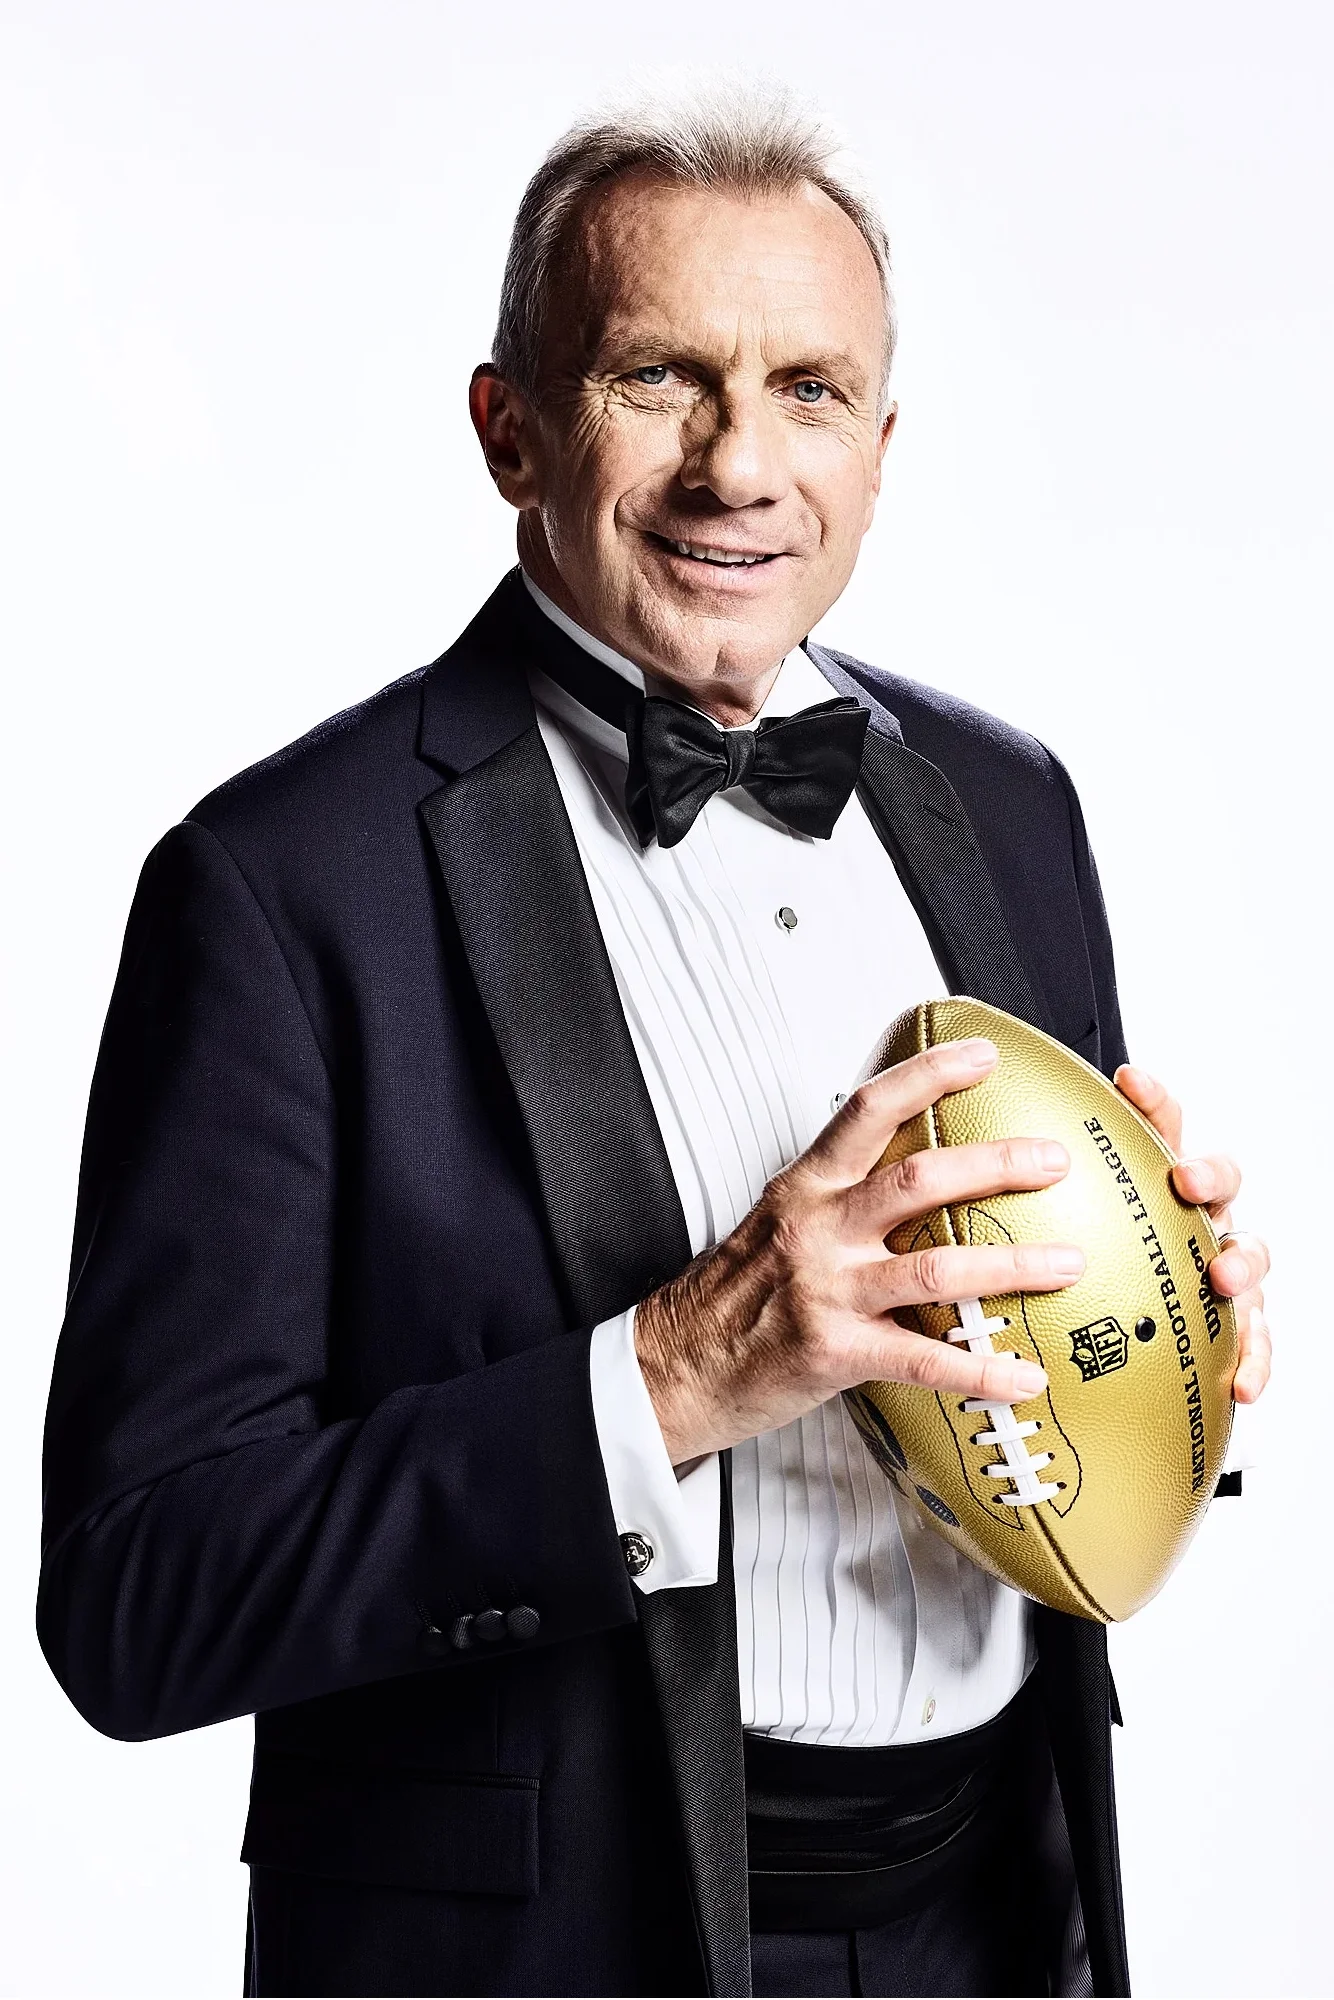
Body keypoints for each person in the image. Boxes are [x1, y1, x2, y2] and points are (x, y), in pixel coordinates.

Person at [38, 83, 1271, 1999]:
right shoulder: (279, 886)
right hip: (553, 1945)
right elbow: (140, 1595)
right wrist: (670, 1377)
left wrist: (1155, 1326)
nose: (737, 465)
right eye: (657, 379)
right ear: (508, 430)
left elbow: (1037, 1326)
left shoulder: (1004, 800)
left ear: (881, 446)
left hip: (1005, 1919)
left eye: (806, 390)